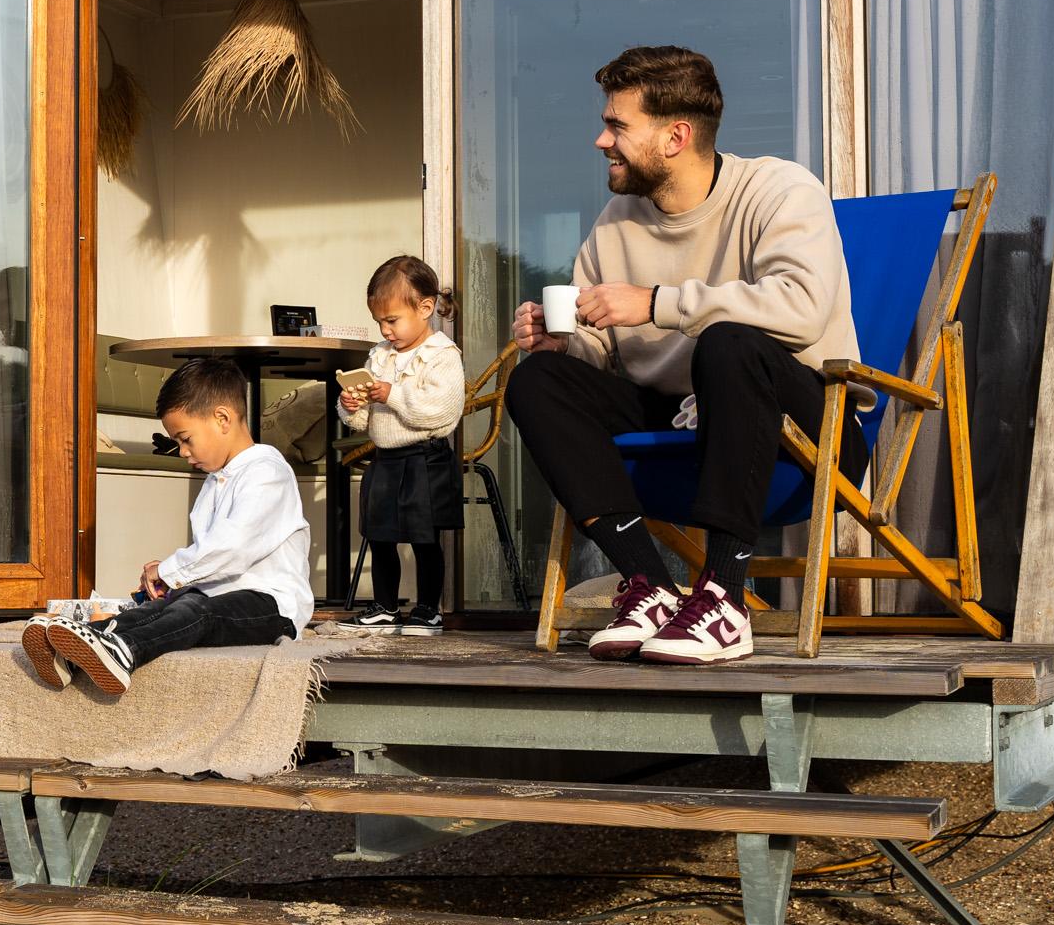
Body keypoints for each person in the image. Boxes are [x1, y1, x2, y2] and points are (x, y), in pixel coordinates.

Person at [504, 45, 868, 665]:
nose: (601, 140)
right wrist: (568, 344)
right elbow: (605, 350)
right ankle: (648, 586)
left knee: (728, 340)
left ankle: (724, 598)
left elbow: (801, 309)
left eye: (617, 125)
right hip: (679, 432)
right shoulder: (616, 221)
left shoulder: (779, 190)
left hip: (804, 436)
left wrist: (656, 302)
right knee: (538, 380)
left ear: (676, 136)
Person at [21, 358, 311, 695]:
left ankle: (124, 651)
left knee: (196, 611)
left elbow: (232, 546)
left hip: (271, 608)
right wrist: (173, 580)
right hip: (218, 597)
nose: (184, 452)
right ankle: (79, 648)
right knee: (161, 609)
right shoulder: (218, 478)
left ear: (222, 419)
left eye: (186, 439)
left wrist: (170, 570)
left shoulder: (266, 472)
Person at [338, 255, 466, 636]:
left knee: (424, 537)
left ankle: (429, 608)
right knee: (380, 535)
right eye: (380, 321)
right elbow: (363, 418)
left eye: (392, 320)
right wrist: (352, 406)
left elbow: (439, 412)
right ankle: (385, 606)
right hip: (386, 458)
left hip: (424, 458)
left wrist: (392, 394)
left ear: (425, 308)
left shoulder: (441, 355)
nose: (385, 330)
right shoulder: (380, 355)